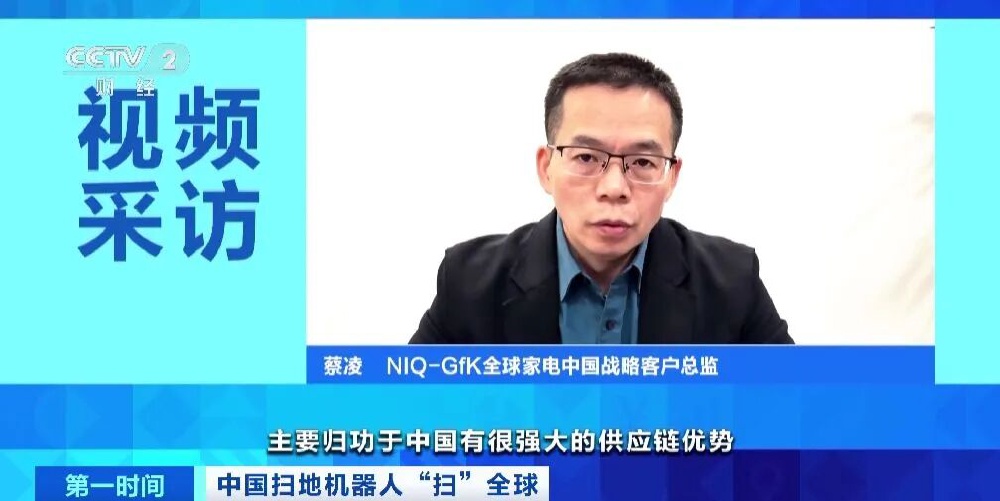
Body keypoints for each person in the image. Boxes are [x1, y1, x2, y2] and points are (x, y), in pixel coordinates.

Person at [410, 52, 793, 345]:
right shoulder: (469, 283)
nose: (614, 188)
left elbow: (799, 411)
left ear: (671, 177)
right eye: (586, 158)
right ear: (546, 168)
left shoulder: (732, 283)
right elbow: (406, 415)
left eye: (642, 162)